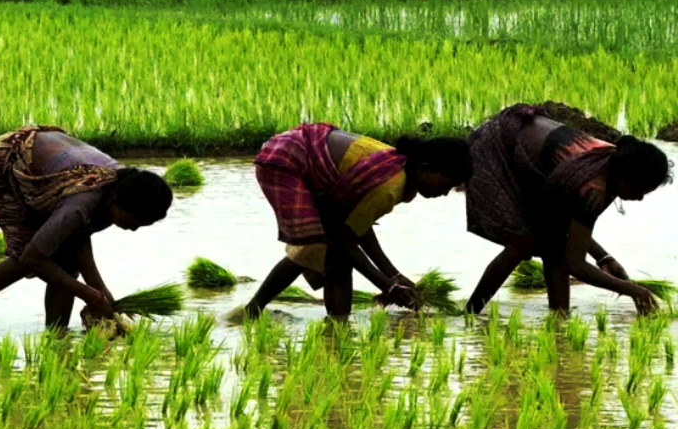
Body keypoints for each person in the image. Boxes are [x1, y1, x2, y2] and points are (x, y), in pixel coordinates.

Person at [0, 126, 173, 329]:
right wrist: (89, 295)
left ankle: (56, 334)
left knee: (66, 261)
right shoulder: (81, 204)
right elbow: (32, 258)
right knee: (28, 250)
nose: (133, 229)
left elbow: (79, 239)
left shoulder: (117, 189)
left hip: (49, 161)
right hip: (4, 160)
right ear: (114, 202)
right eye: (134, 221)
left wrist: (104, 297)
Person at [240, 123, 473, 321]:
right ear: (424, 169)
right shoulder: (390, 186)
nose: (444, 193)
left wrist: (393, 276)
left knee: (337, 255)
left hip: (307, 153)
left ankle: (337, 326)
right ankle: (252, 311)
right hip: (288, 159)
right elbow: (346, 239)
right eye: (445, 183)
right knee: (313, 247)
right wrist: (387, 285)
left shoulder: (400, 168)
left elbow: (356, 227)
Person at [464, 104, 673, 315]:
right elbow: (575, 264)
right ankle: (470, 314)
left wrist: (603, 258)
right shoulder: (593, 187)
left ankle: (560, 322)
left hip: (526, 154)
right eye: (638, 189)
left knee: (554, 244)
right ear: (623, 177)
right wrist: (635, 291)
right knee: (523, 243)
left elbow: (570, 227)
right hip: (495, 147)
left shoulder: (610, 162)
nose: (639, 198)